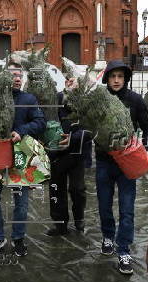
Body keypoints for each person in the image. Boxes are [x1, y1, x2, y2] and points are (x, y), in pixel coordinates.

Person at [0, 62, 46, 257]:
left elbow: (40, 122)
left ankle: (18, 239)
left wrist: (21, 131)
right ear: (3, 78)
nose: (17, 78)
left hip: (19, 162)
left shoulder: (28, 99)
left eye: (19, 75)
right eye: (13, 74)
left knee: (21, 205)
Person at [97, 60, 148, 275]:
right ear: (107, 79)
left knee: (127, 208)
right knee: (104, 205)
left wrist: (144, 150)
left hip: (128, 162)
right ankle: (108, 237)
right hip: (104, 161)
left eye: (120, 76)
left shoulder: (135, 100)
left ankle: (123, 250)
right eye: (113, 76)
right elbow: (89, 124)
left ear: (125, 78)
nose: (116, 80)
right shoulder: (99, 100)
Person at [46, 77, 92, 236]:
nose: (71, 83)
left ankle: (79, 220)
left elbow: (92, 130)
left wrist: (73, 138)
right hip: (56, 154)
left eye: (75, 81)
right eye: (69, 80)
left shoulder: (87, 103)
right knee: (56, 190)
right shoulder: (57, 99)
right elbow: (47, 119)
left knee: (77, 189)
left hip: (77, 154)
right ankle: (60, 224)